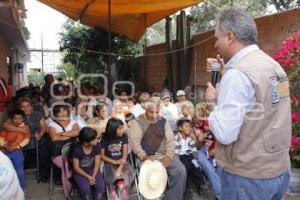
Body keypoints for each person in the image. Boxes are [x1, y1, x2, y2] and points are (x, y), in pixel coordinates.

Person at [205, 9, 291, 200]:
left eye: (217, 37)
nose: (215, 43)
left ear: (229, 37)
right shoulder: (274, 66)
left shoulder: (238, 74)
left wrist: (212, 103)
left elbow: (225, 134)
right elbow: (264, 107)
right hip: (278, 171)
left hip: (247, 179)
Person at [130, 98, 187, 200]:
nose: (155, 115)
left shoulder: (163, 121)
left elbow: (170, 140)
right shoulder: (137, 122)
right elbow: (135, 144)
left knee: (180, 171)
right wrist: (144, 156)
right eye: (151, 112)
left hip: (164, 155)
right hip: (147, 157)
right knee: (152, 175)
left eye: (157, 112)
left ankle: (173, 198)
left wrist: (169, 156)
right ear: (146, 110)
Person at [48, 104, 79, 198]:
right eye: (59, 111)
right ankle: (69, 189)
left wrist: (61, 134)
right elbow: (54, 138)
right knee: (66, 164)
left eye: (64, 110)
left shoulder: (73, 122)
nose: (62, 113)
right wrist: (70, 135)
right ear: (56, 114)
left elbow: (77, 133)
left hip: (72, 152)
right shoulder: (52, 124)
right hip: (58, 153)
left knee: (75, 161)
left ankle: (74, 184)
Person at [16, 97, 50, 182]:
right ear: (20, 108)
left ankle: (43, 175)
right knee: (19, 157)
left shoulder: (37, 114)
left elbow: (44, 127)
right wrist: (20, 130)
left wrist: (40, 134)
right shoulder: (17, 116)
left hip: (37, 139)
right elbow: (6, 125)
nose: (25, 108)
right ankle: (19, 175)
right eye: (23, 106)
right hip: (23, 142)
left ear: (31, 107)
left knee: (45, 153)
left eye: (28, 106)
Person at [100, 118, 135, 200]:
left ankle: (123, 188)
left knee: (131, 173)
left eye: (123, 128)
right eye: (120, 129)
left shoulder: (124, 136)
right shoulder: (105, 139)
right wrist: (114, 161)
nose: (122, 130)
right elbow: (102, 156)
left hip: (122, 161)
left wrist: (120, 167)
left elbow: (125, 153)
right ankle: (112, 189)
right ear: (112, 130)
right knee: (111, 176)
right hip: (109, 162)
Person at [175, 119, 205, 198]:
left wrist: (196, 158)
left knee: (195, 166)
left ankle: (200, 184)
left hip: (189, 154)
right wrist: (178, 162)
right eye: (186, 126)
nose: (189, 128)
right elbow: (176, 151)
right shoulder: (177, 137)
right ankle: (185, 189)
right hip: (181, 155)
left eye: (190, 127)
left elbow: (193, 148)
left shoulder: (190, 137)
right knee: (186, 167)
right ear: (180, 128)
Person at [72, 127, 105, 200]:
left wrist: (93, 176)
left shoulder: (97, 146)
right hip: (80, 172)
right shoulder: (77, 150)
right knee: (85, 189)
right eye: (94, 139)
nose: (97, 140)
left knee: (100, 186)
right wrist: (88, 177)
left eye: (96, 138)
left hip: (93, 170)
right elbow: (76, 168)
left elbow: (97, 164)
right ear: (86, 143)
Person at [1, 109, 30, 189]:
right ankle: (7, 187)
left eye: (20, 118)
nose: (17, 120)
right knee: (5, 169)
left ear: (23, 119)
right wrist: (4, 145)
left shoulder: (25, 128)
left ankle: (21, 187)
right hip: (5, 151)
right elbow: (1, 138)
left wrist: (17, 147)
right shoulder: (8, 128)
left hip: (17, 152)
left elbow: (26, 140)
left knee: (19, 170)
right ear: (12, 119)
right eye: (15, 118)